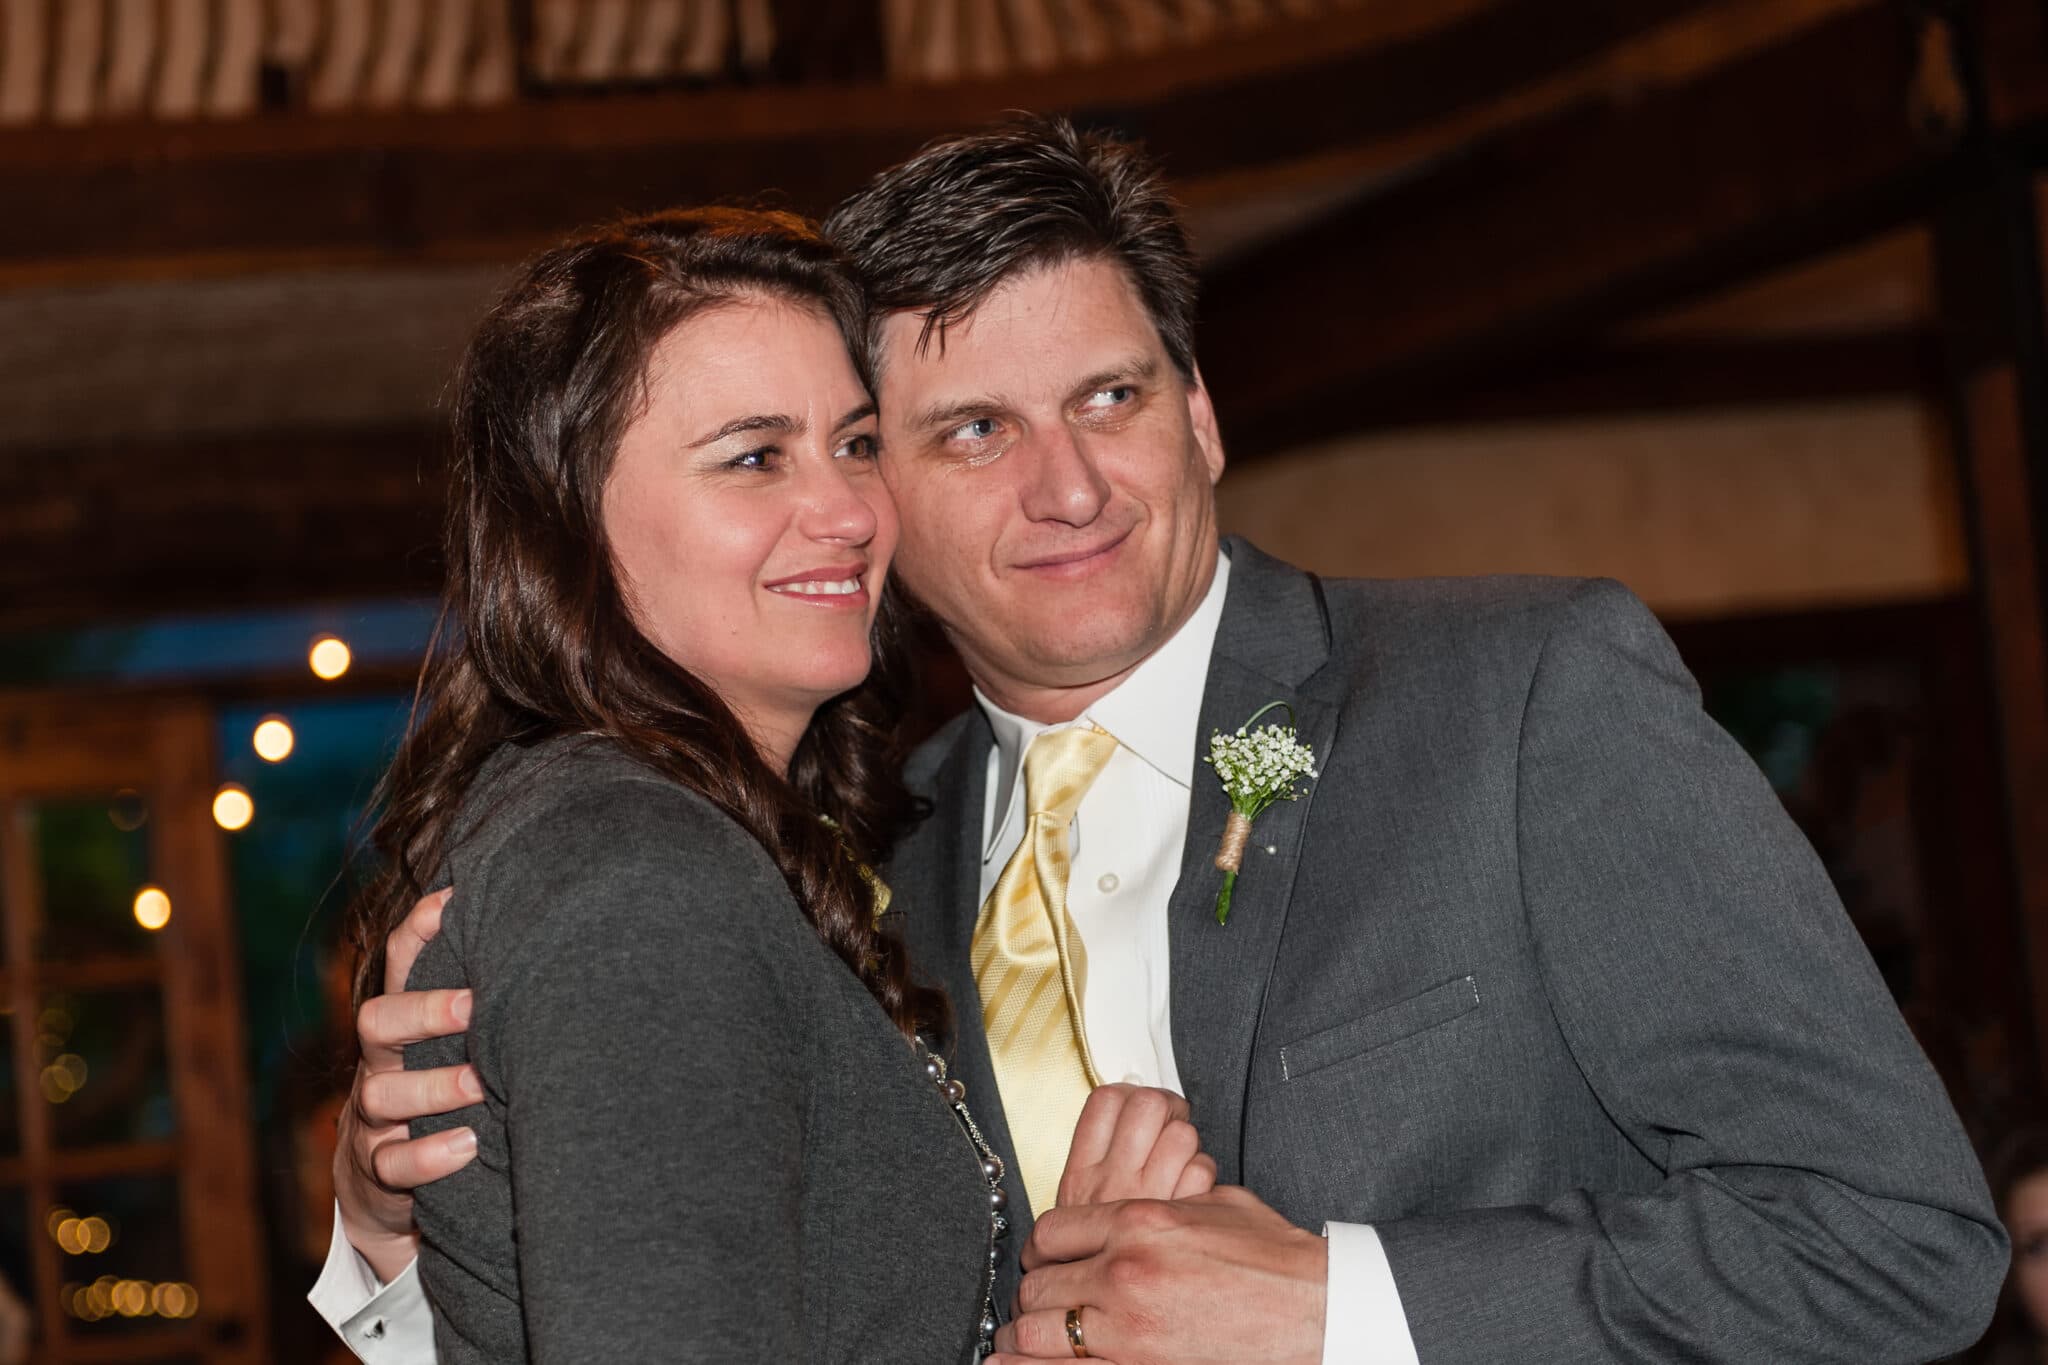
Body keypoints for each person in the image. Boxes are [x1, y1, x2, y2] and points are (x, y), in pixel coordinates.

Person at [318, 119, 2007, 1364]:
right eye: (970, 429)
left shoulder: (1515, 699)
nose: (1065, 485)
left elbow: (1899, 1241)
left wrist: (1337, 1303)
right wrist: (401, 1226)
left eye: (1111, 399)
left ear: (1199, 416)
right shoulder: (847, 874)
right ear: (886, 495)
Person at [318, 204, 1213, 1363]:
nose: (846, 513)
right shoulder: (639, 875)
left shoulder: (696, 834)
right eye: (753, 458)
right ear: (568, 520)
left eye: (852, 444)